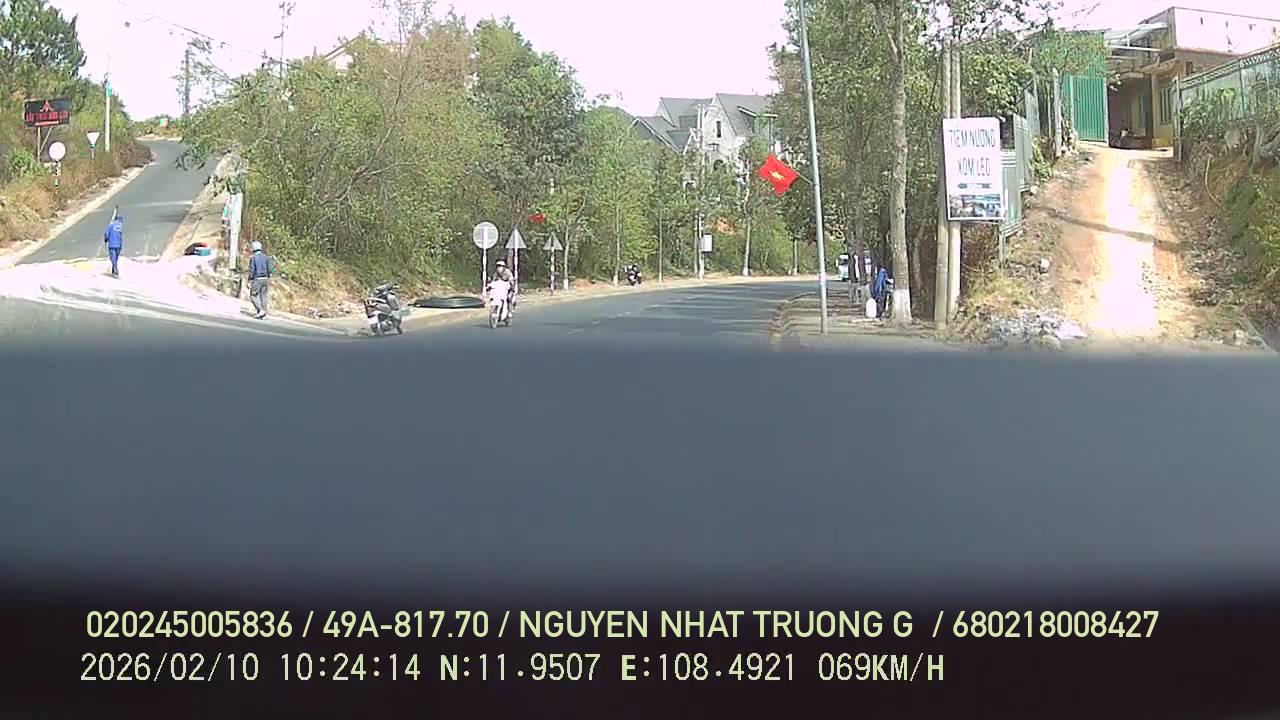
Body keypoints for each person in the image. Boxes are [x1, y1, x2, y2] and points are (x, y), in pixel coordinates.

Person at [247, 241, 274, 319]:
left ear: (253, 248)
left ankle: (260, 310)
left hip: (257, 279)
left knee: (253, 295)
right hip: (265, 279)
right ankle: (264, 313)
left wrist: (250, 279)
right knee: (263, 296)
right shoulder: (266, 257)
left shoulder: (253, 258)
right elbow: (270, 269)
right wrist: (268, 275)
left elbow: (252, 270)